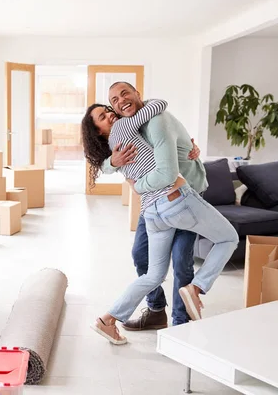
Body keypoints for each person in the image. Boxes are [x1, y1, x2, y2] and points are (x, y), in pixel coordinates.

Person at [82, 83, 239, 345]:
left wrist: (186, 152)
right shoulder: (125, 127)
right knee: (228, 238)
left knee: (154, 275)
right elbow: (158, 105)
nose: (113, 110)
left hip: (153, 211)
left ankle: (107, 320)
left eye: (113, 105)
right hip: (175, 200)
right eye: (105, 112)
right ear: (98, 130)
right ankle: (196, 289)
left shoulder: (114, 147)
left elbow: (160, 139)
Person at [103, 134, 201, 329]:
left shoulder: (153, 123)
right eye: (114, 101)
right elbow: (102, 165)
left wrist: (191, 148)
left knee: (181, 260)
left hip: (183, 199)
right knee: (141, 255)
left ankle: (181, 323)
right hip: (152, 204)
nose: (120, 103)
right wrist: (111, 162)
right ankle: (156, 311)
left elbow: (181, 140)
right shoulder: (118, 136)